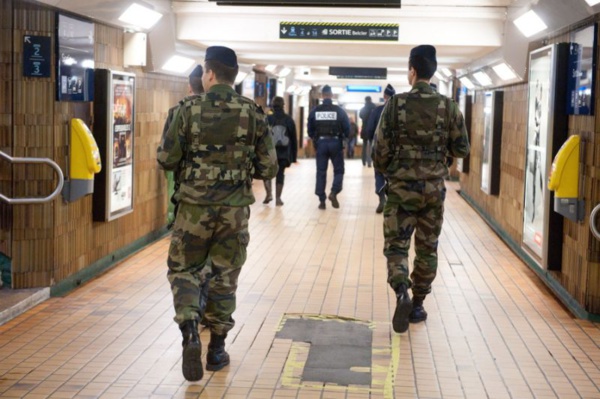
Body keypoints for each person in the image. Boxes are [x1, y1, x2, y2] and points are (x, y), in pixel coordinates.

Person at [157, 46, 278, 381]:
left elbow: (166, 159)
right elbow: (269, 167)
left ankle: (190, 331)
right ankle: (217, 349)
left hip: (192, 210)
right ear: (233, 76)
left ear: (208, 74)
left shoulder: (186, 109)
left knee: (184, 270)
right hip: (234, 212)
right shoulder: (252, 113)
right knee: (225, 276)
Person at [373, 45, 470, 334]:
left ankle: (401, 289)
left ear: (412, 71)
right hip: (433, 191)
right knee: (427, 247)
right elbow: (462, 149)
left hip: (401, 189)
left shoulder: (396, 104)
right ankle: (417, 303)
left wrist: (394, 169)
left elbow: (379, 153)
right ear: (433, 71)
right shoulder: (448, 106)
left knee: (397, 245)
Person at [307, 85, 350, 209]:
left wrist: (315, 138)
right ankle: (334, 192)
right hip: (336, 143)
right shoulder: (339, 111)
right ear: (331, 95)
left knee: (321, 171)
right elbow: (347, 128)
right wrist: (343, 139)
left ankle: (321, 200)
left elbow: (310, 129)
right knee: (339, 170)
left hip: (321, 143)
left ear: (322, 96)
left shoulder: (315, 111)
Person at [365, 84, 395, 213]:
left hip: (379, 148)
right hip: (395, 150)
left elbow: (370, 129)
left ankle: (381, 195)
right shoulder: (399, 111)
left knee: (378, 172)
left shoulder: (377, 111)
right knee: (393, 173)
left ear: (384, 97)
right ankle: (391, 200)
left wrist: (372, 141)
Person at [263, 96, 297, 206]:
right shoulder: (288, 119)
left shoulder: (267, 118)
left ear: (273, 105)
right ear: (283, 105)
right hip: (283, 152)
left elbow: (261, 135)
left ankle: (269, 194)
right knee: (280, 173)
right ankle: (278, 198)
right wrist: (294, 156)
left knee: (267, 173)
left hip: (269, 151)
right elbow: (293, 138)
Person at [359, 96, 376, 167]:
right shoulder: (374, 108)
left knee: (364, 145)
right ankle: (369, 162)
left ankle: (363, 161)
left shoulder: (363, 109)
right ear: (371, 100)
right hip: (372, 129)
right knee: (371, 146)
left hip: (364, 129)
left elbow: (360, 116)